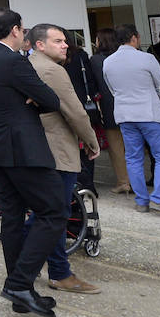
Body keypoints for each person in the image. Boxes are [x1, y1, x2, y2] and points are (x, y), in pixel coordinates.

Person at [0, 8, 65, 317]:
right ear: (14, 30)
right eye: (23, 29)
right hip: (24, 148)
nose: (25, 34)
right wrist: (33, 97)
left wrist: (29, 97)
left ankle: (19, 292)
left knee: (12, 216)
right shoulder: (13, 61)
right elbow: (51, 100)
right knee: (53, 211)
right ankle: (19, 284)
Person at [26, 25, 101, 294]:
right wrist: (92, 141)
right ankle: (59, 272)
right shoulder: (52, 71)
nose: (65, 45)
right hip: (57, 149)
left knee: (45, 213)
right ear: (39, 44)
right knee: (55, 214)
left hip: (37, 148)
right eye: (57, 41)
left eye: (65, 41)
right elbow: (76, 113)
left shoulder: (29, 64)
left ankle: (26, 263)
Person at [102, 25, 160, 217]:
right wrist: (158, 105)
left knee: (133, 158)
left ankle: (141, 201)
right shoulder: (146, 58)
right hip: (150, 114)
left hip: (125, 116)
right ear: (134, 38)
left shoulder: (108, 62)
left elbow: (112, 90)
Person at [89, 28, 132, 194]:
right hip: (130, 106)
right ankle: (136, 181)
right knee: (132, 147)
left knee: (116, 148)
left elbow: (95, 85)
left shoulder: (96, 60)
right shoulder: (125, 57)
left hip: (109, 108)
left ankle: (123, 182)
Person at [62, 30, 102, 192]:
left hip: (64, 106)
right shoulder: (81, 55)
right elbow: (90, 80)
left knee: (70, 146)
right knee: (87, 145)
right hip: (83, 104)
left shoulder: (55, 59)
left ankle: (75, 184)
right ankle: (88, 184)